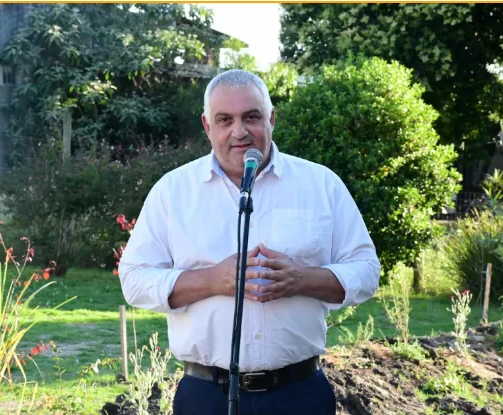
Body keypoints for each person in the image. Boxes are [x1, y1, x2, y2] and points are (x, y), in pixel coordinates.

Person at [118, 69, 381, 415]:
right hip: (205, 397)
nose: (239, 131)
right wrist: (212, 280)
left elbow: (366, 270)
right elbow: (134, 279)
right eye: (224, 119)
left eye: (251, 117)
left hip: (300, 394)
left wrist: (301, 279)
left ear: (271, 119)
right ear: (207, 125)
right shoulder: (173, 191)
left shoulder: (321, 185)